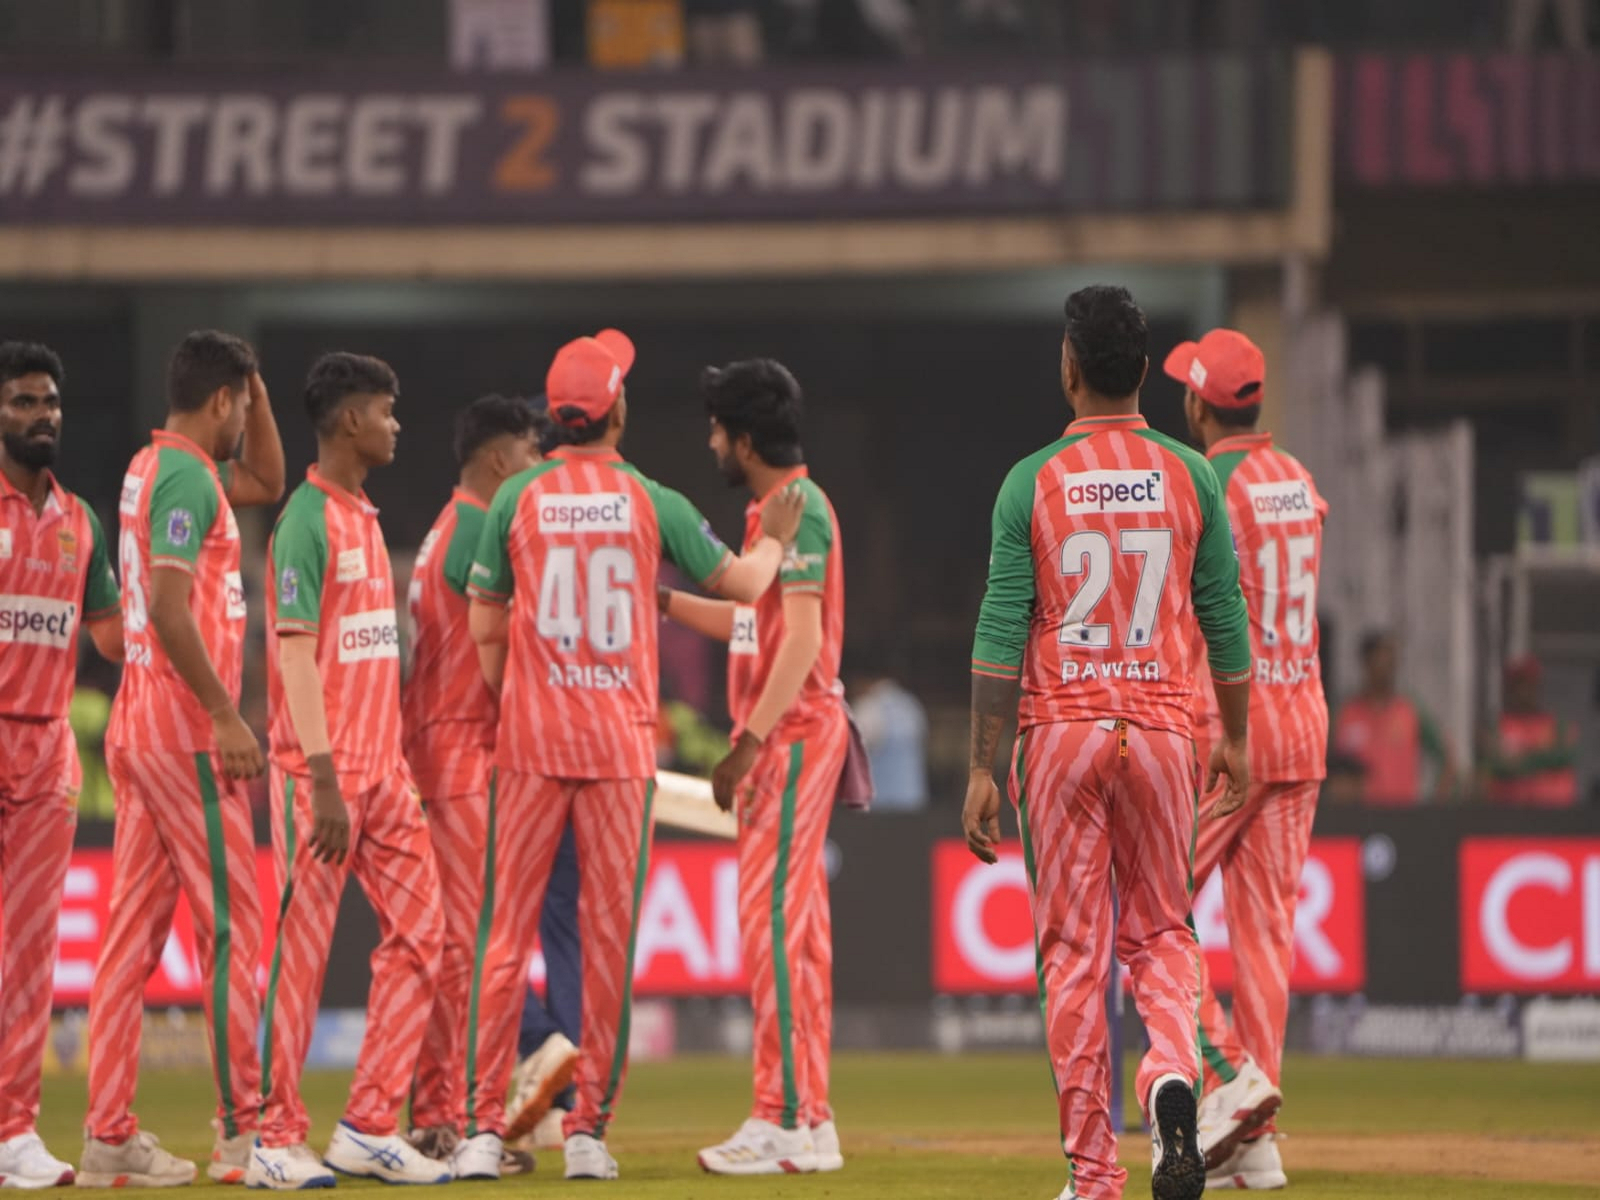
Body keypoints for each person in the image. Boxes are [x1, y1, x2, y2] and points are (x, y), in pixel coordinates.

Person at [460, 329, 802, 1182]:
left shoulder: (519, 498)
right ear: (614, 409)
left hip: (533, 747)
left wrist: (520, 700)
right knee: (608, 942)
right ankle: (588, 1136)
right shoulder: (654, 500)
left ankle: (475, 1129)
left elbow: (485, 629)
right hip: (617, 752)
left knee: (502, 943)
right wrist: (775, 538)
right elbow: (747, 587)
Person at [961, 286, 1251, 1200]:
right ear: (1141, 370)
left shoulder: (1031, 481)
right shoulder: (1191, 475)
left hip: (1059, 734)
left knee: (1074, 954)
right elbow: (1226, 619)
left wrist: (979, 766)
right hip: (1166, 728)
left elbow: (1001, 629)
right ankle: (1172, 1073)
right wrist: (1234, 737)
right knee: (1165, 929)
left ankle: (1095, 1174)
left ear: (1070, 367)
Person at [81, 332, 285, 1188]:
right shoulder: (184, 478)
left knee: (130, 938)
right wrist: (225, 715)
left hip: (141, 730)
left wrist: (259, 390)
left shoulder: (151, 468)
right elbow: (167, 609)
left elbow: (270, 483)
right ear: (219, 403)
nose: (247, 416)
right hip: (186, 738)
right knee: (239, 927)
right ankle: (245, 1133)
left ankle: (106, 1136)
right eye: (242, 401)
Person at [248, 353, 448, 1189]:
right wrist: (323, 777)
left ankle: (368, 1123)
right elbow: (294, 653)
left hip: (385, 774)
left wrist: (380, 764)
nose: (397, 424)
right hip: (318, 778)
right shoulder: (305, 520)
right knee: (302, 954)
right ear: (348, 422)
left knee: (422, 934)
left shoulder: (363, 514)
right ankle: (270, 1139)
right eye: (386, 411)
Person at [661, 358, 850, 1176]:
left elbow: (802, 641)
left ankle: (781, 1118)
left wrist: (749, 741)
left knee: (772, 923)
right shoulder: (767, 517)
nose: (709, 441)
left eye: (715, 430)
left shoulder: (795, 513)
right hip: (791, 732)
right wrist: (660, 599)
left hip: (792, 734)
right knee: (795, 931)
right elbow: (751, 623)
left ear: (742, 438)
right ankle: (810, 1119)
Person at [1165, 328, 1328, 1191]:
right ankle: (1257, 1143)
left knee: (1147, 908)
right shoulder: (1298, 480)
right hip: (1305, 724)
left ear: (1199, 404)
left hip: (1232, 728)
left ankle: (1230, 1076)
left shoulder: (1210, 483)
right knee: (1266, 938)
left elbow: (1191, 610)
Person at [402, 394, 544, 1175]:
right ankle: (442, 1120)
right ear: (497, 462)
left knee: (456, 945)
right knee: (464, 949)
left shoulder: (444, 529)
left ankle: (439, 1115)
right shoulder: (476, 532)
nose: (538, 469)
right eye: (529, 454)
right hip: (462, 756)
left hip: (438, 750)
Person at [0, 341, 123, 1188]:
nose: (41, 415)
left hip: (46, 753)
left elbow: (113, 634)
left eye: (49, 402)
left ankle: (13, 1130)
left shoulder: (81, 521)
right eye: (22, 402)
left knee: (31, 955)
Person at [1331, 632, 1456, 804]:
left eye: (1391, 661)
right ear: (1366, 663)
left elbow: (1445, 757)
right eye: (1380, 660)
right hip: (1359, 816)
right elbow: (1332, 768)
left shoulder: (1409, 710)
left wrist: (1435, 806)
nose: (1387, 668)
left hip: (1403, 816)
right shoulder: (1347, 713)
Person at [1481, 656, 1578, 806]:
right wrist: (1540, 756)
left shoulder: (1556, 725)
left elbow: (1563, 756)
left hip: (1554, 813)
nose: (1523, 691)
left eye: (1529, 684)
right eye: (1518, 685)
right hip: (1507, 813)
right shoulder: (1498, 726)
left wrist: (1522, 760)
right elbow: (1497, 765)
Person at [850, 667, 929, 811]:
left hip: (881, 804)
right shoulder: (911, 705)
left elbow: (854, 753)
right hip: (912, 798)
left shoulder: (869, 706)